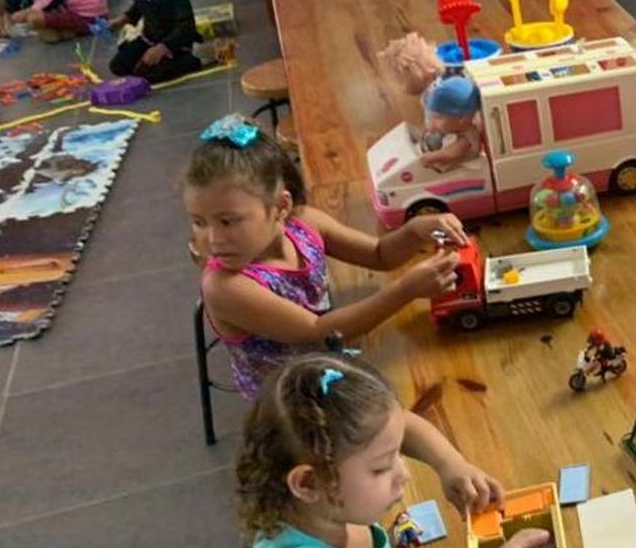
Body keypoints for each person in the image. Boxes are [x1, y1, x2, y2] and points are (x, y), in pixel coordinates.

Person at [239, 354, 543, 548]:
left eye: (397, 453)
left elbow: (400, 423)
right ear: (308, 482)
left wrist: (450, 463)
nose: (404, 474)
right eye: (381, 467)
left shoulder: (320, 509)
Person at [185, 114, 467, 400]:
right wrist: (406, 290)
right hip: (290, 400)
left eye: (227, 221)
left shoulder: (304, 223)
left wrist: (415, 231)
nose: (212, 239)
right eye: (199, 222)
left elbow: (379, 255)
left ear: (281, 206)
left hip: (328, 360)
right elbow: (318, 331)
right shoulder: (225, 287)